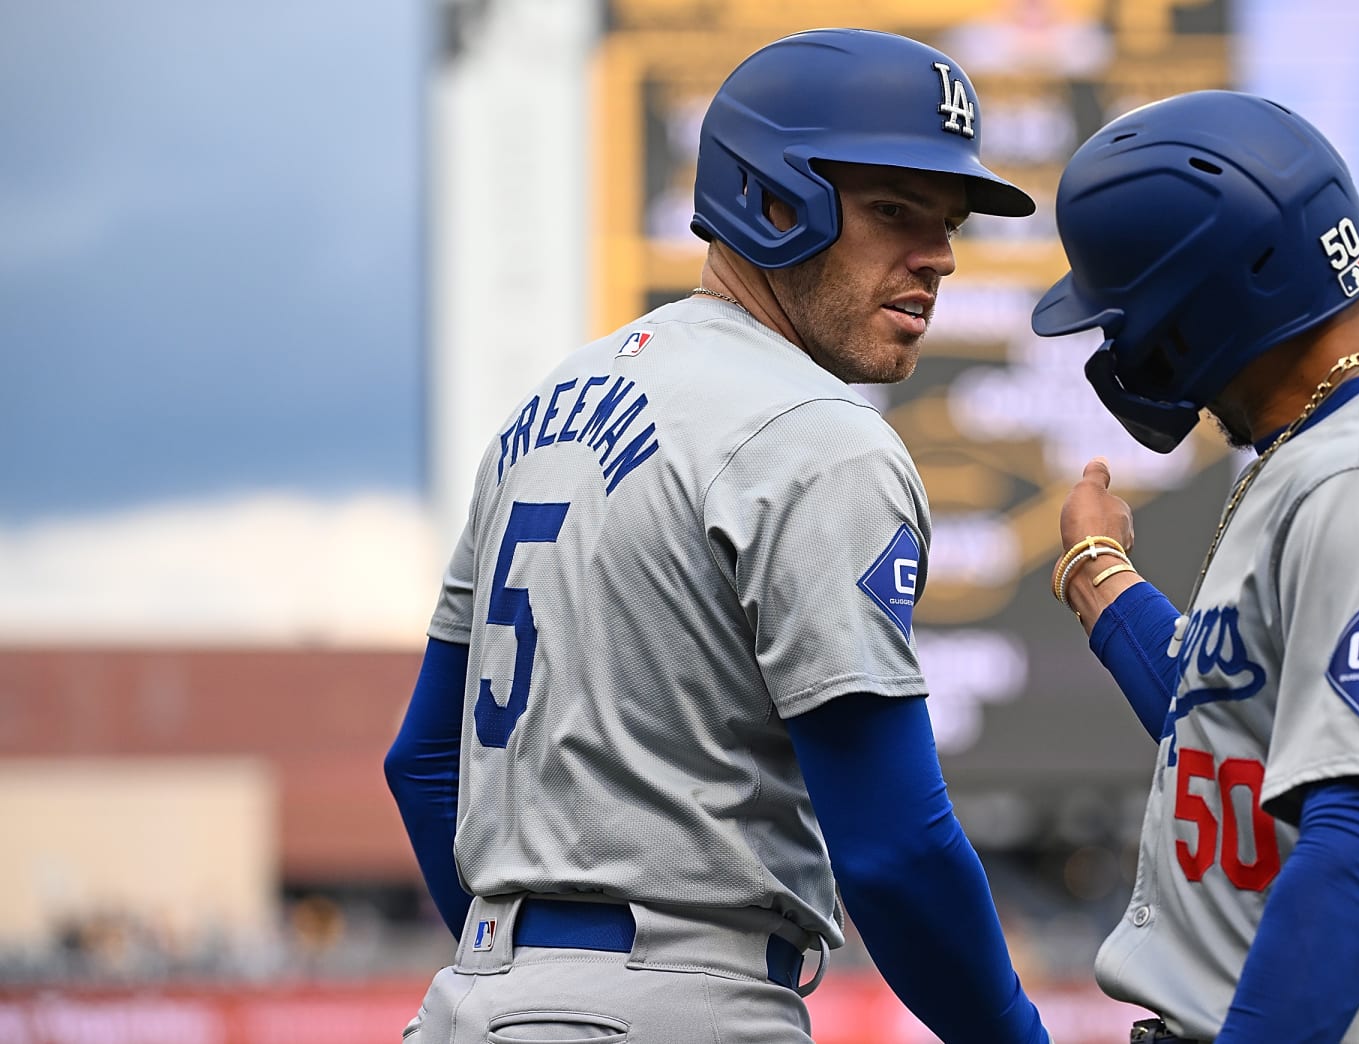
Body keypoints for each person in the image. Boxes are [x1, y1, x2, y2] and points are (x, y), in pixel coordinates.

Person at [384, 28, 1052, 1044]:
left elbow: (424, 763)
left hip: (468, 1006)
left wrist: (527, 979)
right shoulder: (818, 438)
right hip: (680, 1002)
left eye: (948, 222)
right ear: (773, 200)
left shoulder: (547, 406)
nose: (941, 257)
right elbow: (895, 852)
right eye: (894, 211)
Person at [1033, 91, 1359, 1041]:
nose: (1121, 344)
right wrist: (1101, 582)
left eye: (1125, 315)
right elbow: (1236, 721)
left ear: (1201, 303)